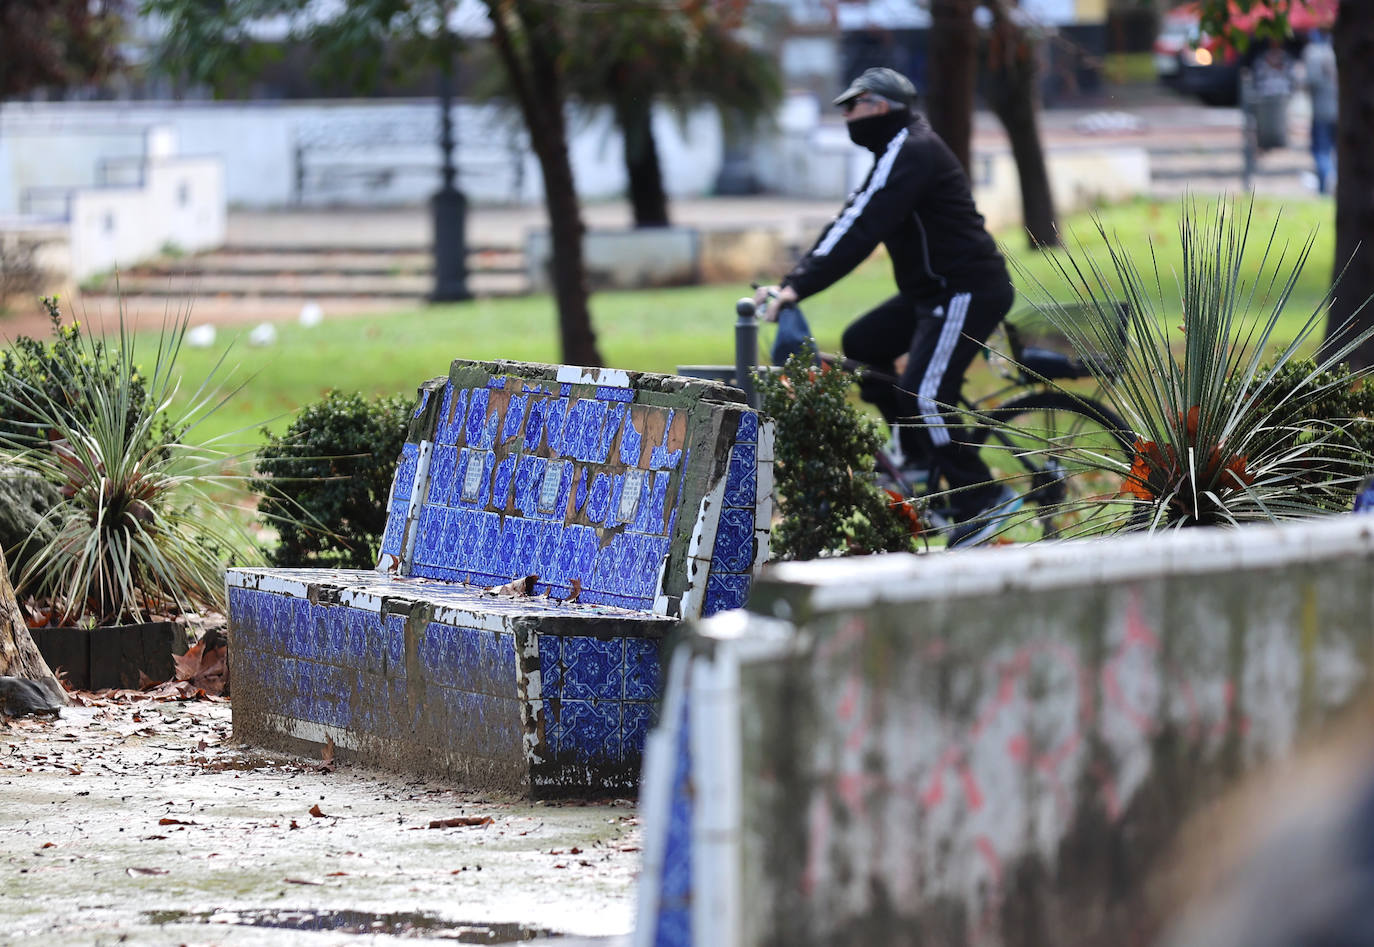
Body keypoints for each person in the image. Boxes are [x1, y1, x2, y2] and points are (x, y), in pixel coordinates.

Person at [753, 67, 1017, 547]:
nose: (847, 117)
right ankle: (918, 455)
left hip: (966, 290)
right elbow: (851, 218)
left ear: (878, 105)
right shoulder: (895, 152)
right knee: (863, 343)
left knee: (924, 395)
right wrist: (794, 282)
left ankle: (980, 498)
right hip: (932, 294)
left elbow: (860, 227)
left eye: (851, 107)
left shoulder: (911, 150)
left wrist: (796, 288)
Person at [1302, 29, 1338, 195]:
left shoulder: (1312, 53)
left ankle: (1325, 186)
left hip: (1321, 111)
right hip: (1340, 110)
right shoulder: (1337, 51)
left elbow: (1310, 81)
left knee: (1321, 150)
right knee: (1337, 150)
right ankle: (1336, 182)